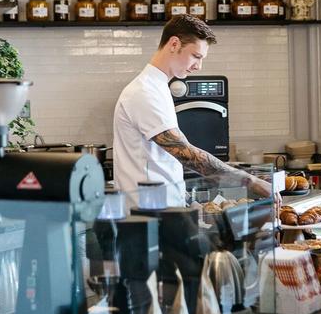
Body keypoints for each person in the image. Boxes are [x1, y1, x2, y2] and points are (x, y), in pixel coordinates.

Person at [113, 14, 275, 205]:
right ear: (174, 44)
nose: (198, 66)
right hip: (146, 214)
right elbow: (186, 154)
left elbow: (163, 159)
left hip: (162, 210)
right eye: (196, 56)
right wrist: (250, 181)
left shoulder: (158, 87)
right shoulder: (144, 92)